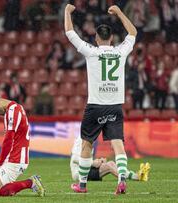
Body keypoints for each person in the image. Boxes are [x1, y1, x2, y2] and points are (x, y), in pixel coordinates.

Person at [65, 4, 137, 194]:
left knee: (87, 144)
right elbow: (133, 32)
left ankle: (82, 186)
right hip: (114, 106)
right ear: (112, 38)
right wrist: (120, 12)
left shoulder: (92, 51)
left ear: (97, 38)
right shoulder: (121, 52)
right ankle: (121, 180)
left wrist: (67, 12)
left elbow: (70, 33)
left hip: (95, 106)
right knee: (118, 144)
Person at [0, 92, 45, 197]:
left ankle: (31, 182)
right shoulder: (13, 109)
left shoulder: (13, 111)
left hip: (16, 158)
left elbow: (8, 139)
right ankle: (29, 183)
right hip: (15, 157)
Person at [70, 136, 151, 182]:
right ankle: (134, 178)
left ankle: (135, 175)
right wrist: (93, 163)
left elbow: (86, 159)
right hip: (78, 174)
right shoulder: (81, 139)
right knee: (109, 167)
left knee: (111, 163)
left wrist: (99, 161)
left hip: (87, 169)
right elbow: (74, 159)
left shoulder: (89, 139)